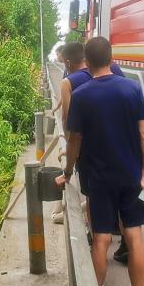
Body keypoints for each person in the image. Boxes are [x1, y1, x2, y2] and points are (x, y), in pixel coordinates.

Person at [57, 37, 144, 286]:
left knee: (100, 240)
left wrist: (68, 172)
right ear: (111, 59)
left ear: (86, 61)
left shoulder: (81, 95)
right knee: (134, 236)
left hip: (98, 179)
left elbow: (74, 140)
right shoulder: (132, 89)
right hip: (131, 176)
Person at [52, 41, 90, 225]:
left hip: (86, 151)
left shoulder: (69, 81)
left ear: (67, 62)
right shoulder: (101, 73)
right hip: (114, 149)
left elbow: (68, 120)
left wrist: (69, 152)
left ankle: (92, 232)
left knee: (93, 195)